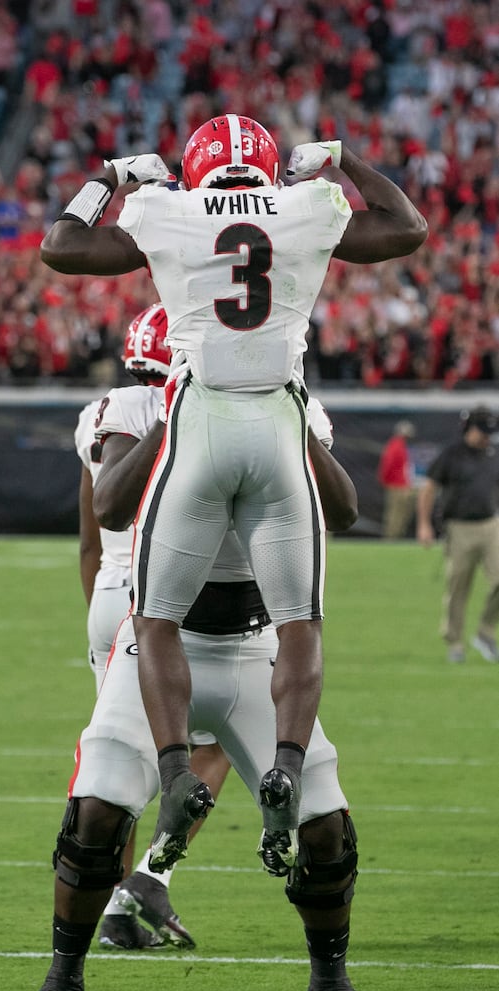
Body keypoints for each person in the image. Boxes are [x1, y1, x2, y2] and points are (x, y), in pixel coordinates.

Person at [40, 117, 428, 877]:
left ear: (195, 166)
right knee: (300, 619)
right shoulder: (306, 206)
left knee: (150, 622)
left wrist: (114, 176)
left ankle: (174, 772)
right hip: (279, 415)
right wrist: (347, 161)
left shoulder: (169, 211)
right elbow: (406, 227)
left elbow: (62, 245)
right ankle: (285, 760)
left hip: (201, 417)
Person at [29, 383, 364, 991]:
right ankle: (63, 979)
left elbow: (343, 516)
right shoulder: (142, 407)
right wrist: (177, 416)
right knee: (97, 806)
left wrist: (293, 426)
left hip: (257, 640)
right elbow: (110, 510)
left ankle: (330, 982)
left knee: (325, 827)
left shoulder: (294, 408)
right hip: (158, 634)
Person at [74, 303, 211, 950]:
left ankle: (110, 903)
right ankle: (144, 880)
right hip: (167, 596)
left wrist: (97, 623)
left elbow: (90, 539)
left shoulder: (103, 413)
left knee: (117, 759)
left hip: (108, 593)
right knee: (206, 749)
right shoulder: (195, 412)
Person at [416, 405, 499, 664]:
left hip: (490, 525)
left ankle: (485, 632)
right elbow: (429, 488)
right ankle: (455, 642)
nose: (486, 437)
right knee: (458, 587)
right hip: (459, 527)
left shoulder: (493, 454)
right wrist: (424, 524)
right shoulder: (451, 455)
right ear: (468, 428)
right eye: (481, 431)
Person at [377, 420, 416, 539]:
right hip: (397, 486)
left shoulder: (399, 446)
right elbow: (387, 465)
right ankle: (392, 538)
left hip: (400, 486)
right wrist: (386, 480)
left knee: (400, 514)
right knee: (395, 515)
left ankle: (396, 537)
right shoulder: (396, 446)